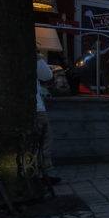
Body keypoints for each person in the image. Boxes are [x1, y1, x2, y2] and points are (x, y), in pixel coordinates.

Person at [35, 52, 60, 184]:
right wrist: (38, 57)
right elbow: (47, 75)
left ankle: (36, 173)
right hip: (35, 108)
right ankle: (41, 173)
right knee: (43, 140)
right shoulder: (28, 54)